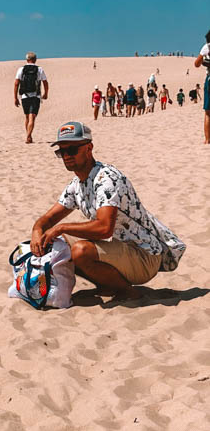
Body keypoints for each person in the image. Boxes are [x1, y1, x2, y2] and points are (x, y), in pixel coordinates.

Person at [30, 121, 185, 300]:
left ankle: (127, 291)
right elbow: (47, 219)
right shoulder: (77, 184)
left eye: (72, 150)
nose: (66, 156)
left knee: (80, 250)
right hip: (123, 249)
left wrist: (61, 227)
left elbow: (104, 229)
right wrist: (37, 231)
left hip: (145, 255)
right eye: (61, 152)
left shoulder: (107, 179)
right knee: (53, 243)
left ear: (89, 148)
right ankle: (108, 284)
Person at [13, 51, 49, 143]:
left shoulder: (21, 69)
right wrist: (45, 93)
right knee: (32, 117)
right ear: (35, 60)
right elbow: (45, 82)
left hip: (24, 96)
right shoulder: (39, 69)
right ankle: (28, 136)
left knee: (27, 117)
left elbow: (16, 83)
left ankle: (29, 136)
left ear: (27, 59)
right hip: (35, 96)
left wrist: (15, 98)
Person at [194, 29, 210, 144]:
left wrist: (205, 61)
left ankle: (208, 139)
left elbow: (196, 64)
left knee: (208, 111)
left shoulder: (207, 47)